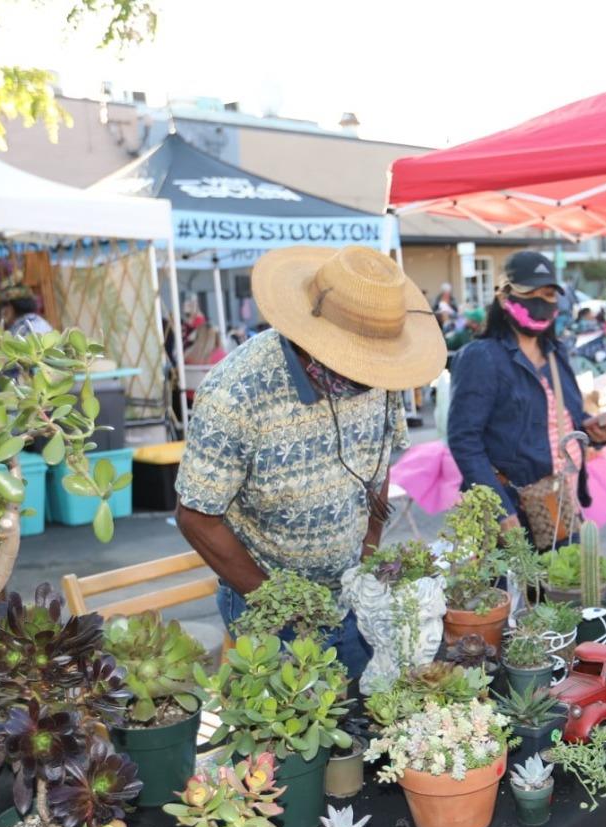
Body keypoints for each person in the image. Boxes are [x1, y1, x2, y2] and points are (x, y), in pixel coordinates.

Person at [175, 245, 445, 682]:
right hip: (266, 606)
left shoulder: (380, 375)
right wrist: (280, 602)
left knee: (361, 719)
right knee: (290, 740)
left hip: (352, 596)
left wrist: (367, 557)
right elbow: (196, 516)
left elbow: (377, 460)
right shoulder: (236, 393)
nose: (372, 379)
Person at [447, 251, 606, 546]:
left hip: (559, 503)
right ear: (505, 298)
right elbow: (464, 439)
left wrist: (593, 431)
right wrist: (500, 511)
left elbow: (566, 419)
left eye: (548, 294)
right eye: (529, 293)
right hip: (510, 507)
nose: (540, 302)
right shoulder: (482, 357)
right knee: (514, 591)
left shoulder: (556, 354)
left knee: (563, 588)